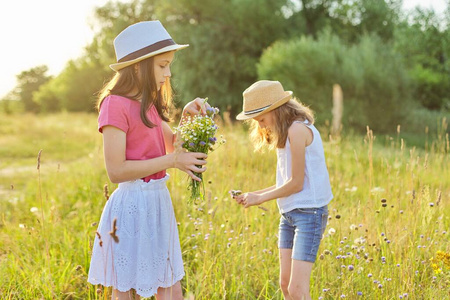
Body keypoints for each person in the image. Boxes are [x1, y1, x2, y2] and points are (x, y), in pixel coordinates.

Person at [87, 20, 209, 300]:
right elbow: (116, 171)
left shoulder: (148, 103)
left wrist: (188, 117)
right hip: (131, 205)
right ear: (138, 66)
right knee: (126, 288)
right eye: (162, 65)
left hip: (156, 202)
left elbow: (172, 144)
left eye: (169, 65)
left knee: (170, 286)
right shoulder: (115, 105)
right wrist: (172, 161)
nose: (168, 73)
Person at [232, 80, 333, 300]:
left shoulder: (297, 130)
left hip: (309, 213)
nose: (261, 126)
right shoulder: (286, 132)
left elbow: (296, 184)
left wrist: (260, 199)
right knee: (286, 285)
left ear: (275, 110)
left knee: (297, 290)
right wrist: (255, 194)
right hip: (289, 214)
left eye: (262, 119)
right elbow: (287, 182)